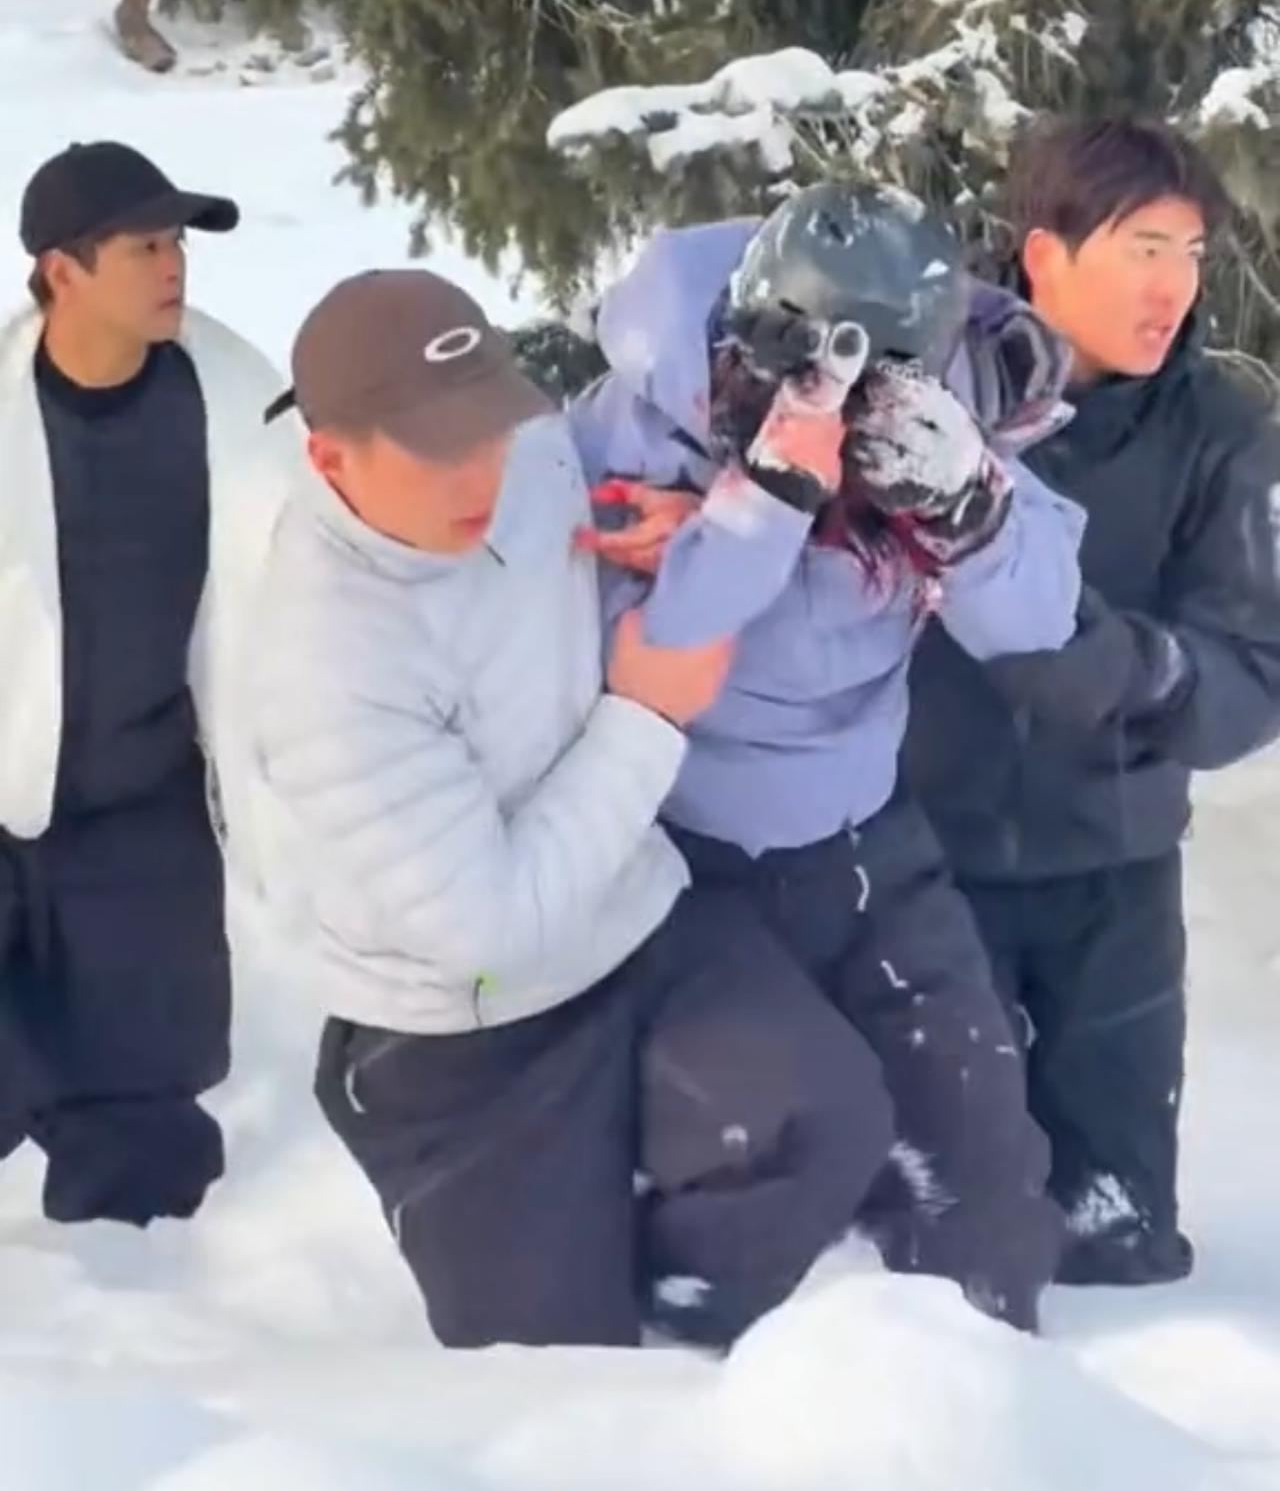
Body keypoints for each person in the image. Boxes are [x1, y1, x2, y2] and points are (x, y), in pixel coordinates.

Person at [247, 268, 898, 1350]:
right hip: (462, 1027)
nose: (483, 470)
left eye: (490, 429)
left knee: (825, 1120)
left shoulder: (529, 451)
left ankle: (686, 1329)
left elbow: (579, 518)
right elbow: (491, 925)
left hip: (627, 911)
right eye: (436, 447)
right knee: (553, 1375)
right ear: (329, 458)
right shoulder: (325, 663)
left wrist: (668, 528)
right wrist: (647, 712)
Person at [571, 182, 1087, 1333]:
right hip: (677, 850)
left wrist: (974, 512)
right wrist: (748, 502)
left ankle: (973, 1414)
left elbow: (1035, 616)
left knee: (985, 1185)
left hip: (861, 836)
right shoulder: (637, 419)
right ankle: (671, 1376)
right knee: (785, 1129)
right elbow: (637, 652)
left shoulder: (929, 388)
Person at [905, 118, 1280, 1287]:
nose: (1168, 284)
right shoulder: (920, 402)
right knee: (934, 1257)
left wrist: (1133, 671)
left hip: (1109, 887)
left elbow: (1250, 672)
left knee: (1114, 1249)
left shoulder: (1218, 433)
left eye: (1189, 252)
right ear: (1041, 255)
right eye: (1138, 245)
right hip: (921, 873)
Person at [0, 140, 296, 1226]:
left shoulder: (242, 403)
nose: (172, 266)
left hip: (146, 790)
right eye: (144, 245)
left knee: (145, 1109)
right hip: (2, 788)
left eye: (177, 243)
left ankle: (136, 1314)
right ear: (61, 269)